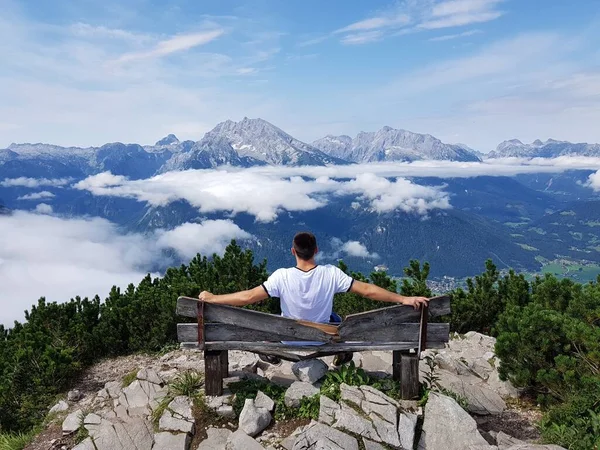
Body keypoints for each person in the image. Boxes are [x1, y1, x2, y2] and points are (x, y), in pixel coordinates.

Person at [198, 232, 430, 365]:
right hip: (323, 338)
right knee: (334, 318)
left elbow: (248, 297)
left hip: (287, 338)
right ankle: (342, 352)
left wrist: (213, 298)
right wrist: (403, 298)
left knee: (275, 321)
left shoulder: (281, 277)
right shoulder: (331, 274)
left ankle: (270, 352)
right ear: (316, 250)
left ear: (293, 251)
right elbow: (368, 291)